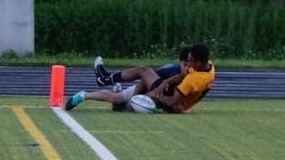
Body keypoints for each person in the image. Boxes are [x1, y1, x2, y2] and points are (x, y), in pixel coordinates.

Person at [66, 43, 215, 114]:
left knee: (142, 71)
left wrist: (153, 94)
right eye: (185, 62)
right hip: (167, 95)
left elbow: (173, 102)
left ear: (198, 62)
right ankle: (84, 95)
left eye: (189, 62)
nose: (187, 65)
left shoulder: (192, 78)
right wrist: (166, 82)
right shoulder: (205, 67)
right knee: (118, 98)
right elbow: (184, 81)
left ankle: (104, 82)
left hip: (168, 100)